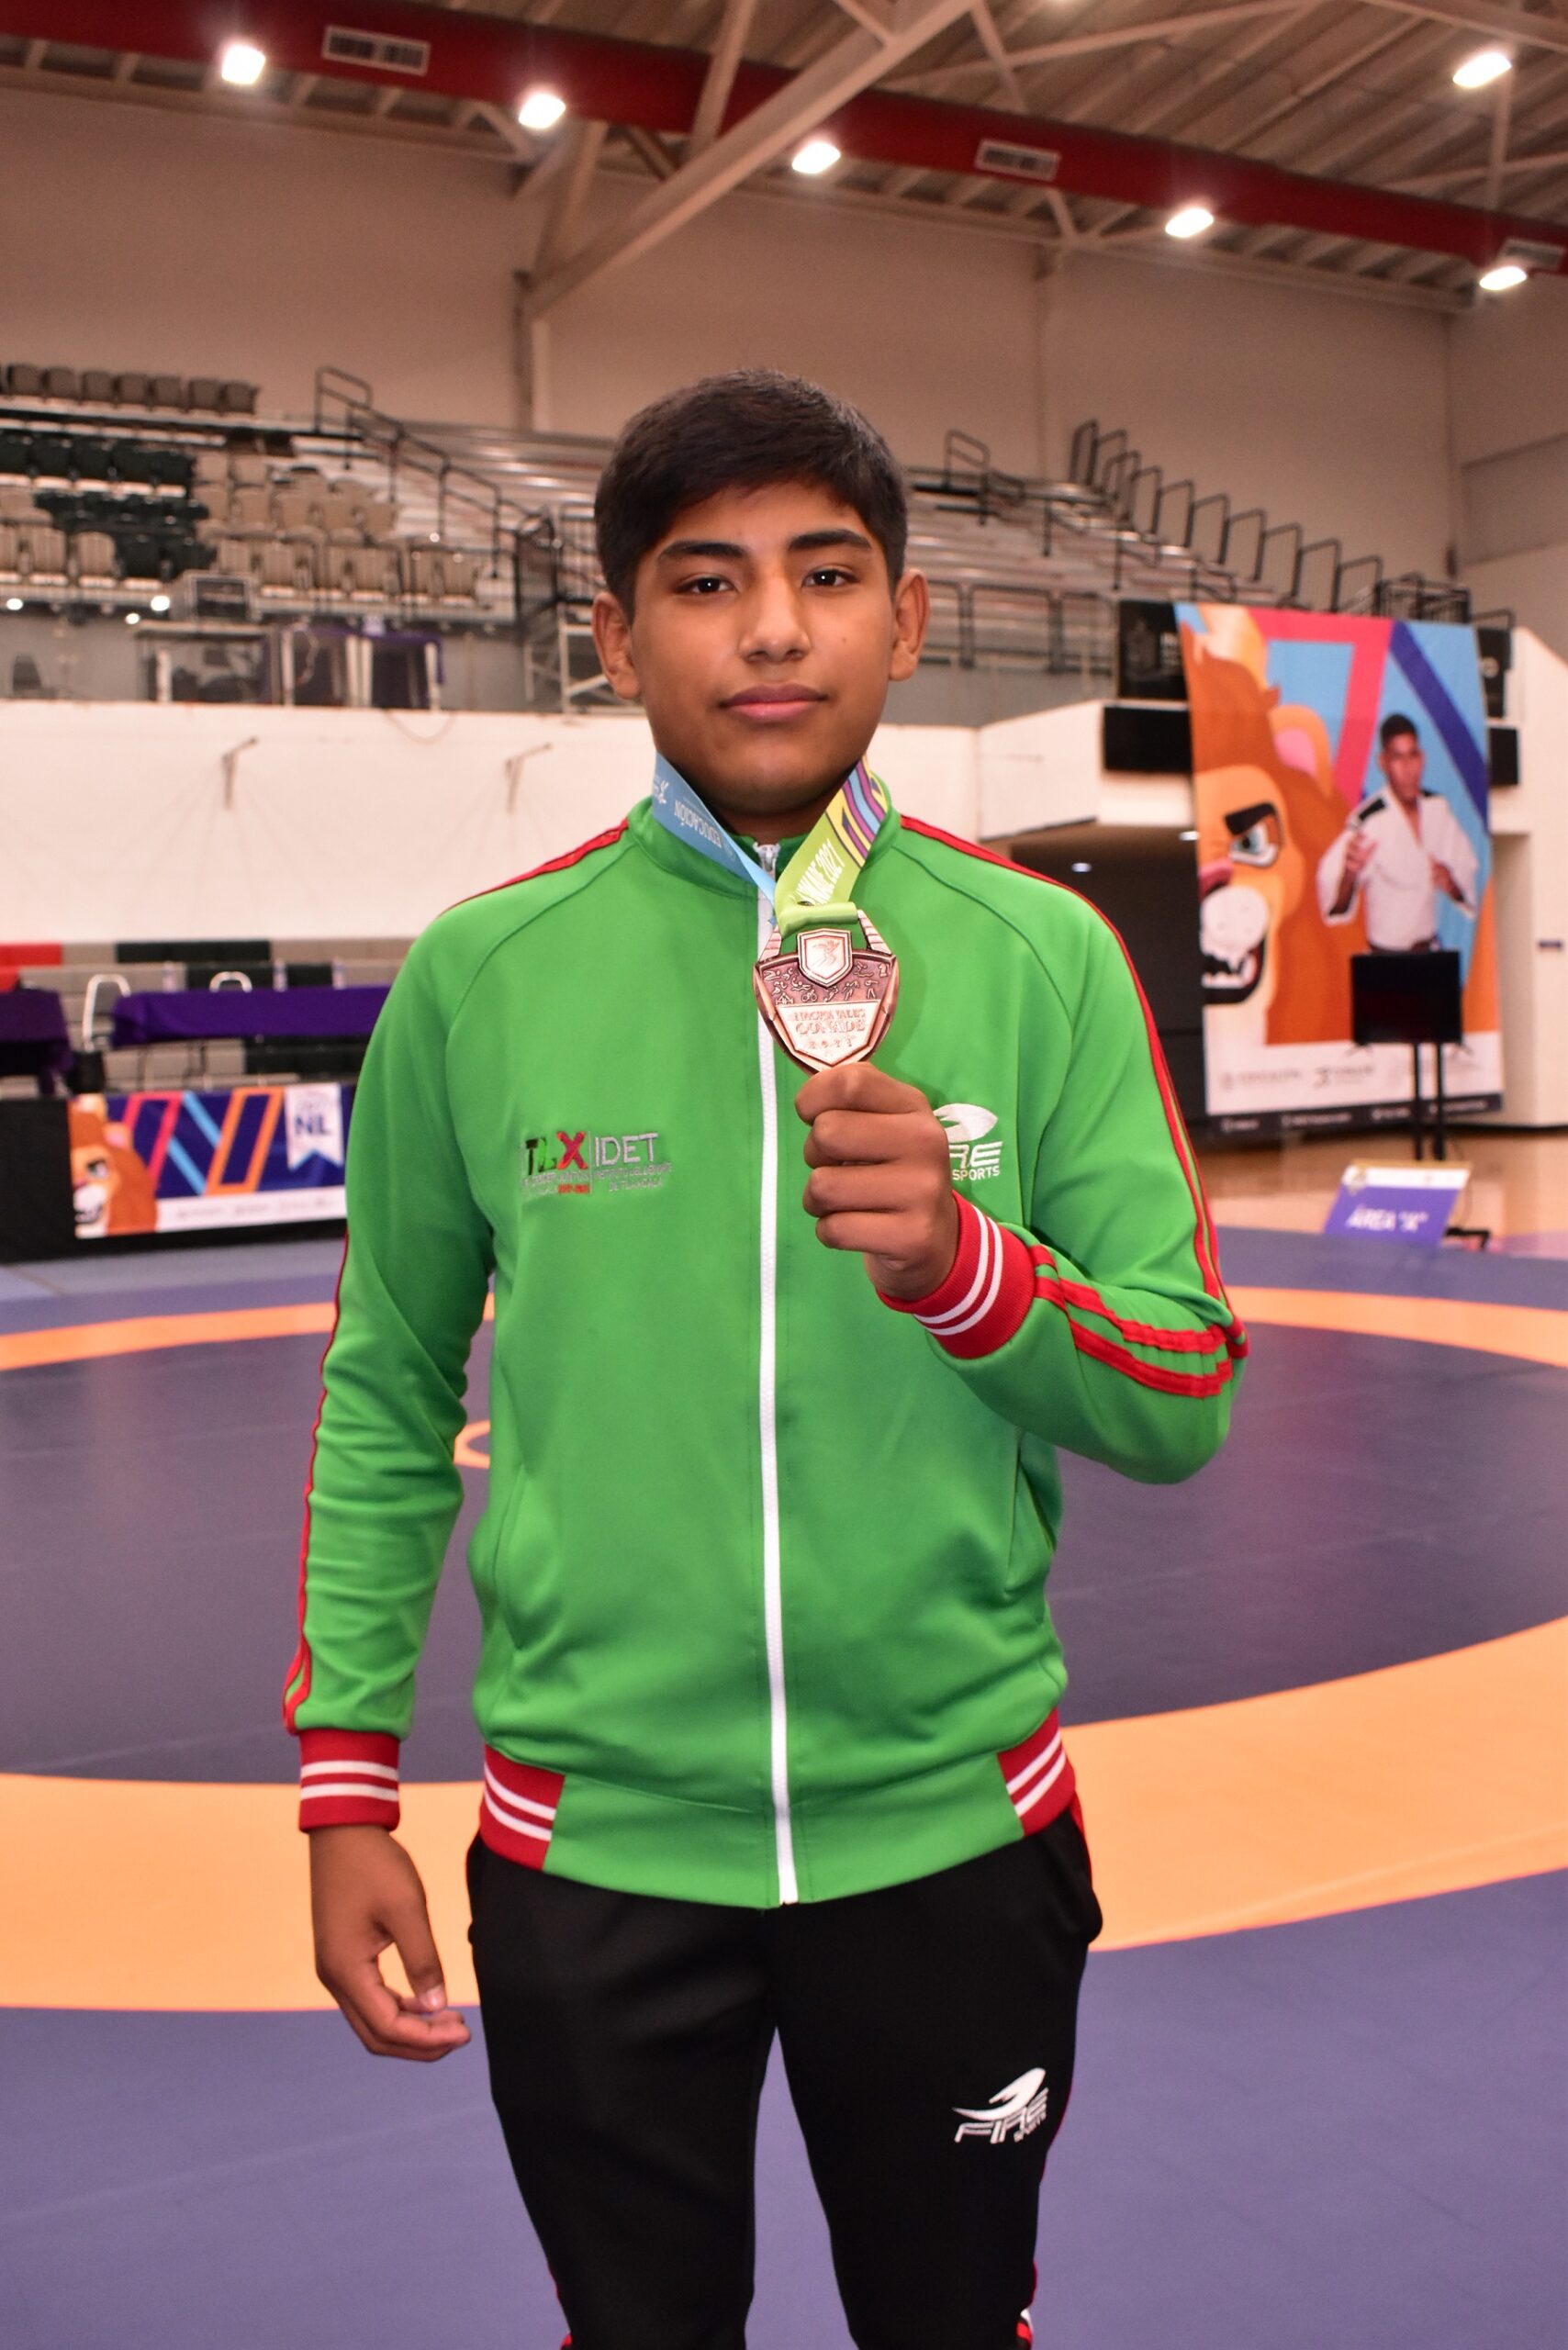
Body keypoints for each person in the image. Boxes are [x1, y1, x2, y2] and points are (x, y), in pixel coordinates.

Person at [286, 371, 1248, 2350]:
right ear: (615, 633)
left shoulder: (1039, 954)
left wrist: (971, 1271)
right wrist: (347, 1782)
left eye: (826, 573)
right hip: (592, 1850)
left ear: (906, 619)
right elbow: (387, 1386)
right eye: (704, 580)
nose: (773, 628)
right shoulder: (483, 972)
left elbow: (1181, 1392)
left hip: (954, 1835)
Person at [1316, 711, 1478, 951]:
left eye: (1413, 756)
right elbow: (1334, 903)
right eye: (1397, 758)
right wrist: (1349, 876)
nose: (1408, 769)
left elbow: (1467, 873)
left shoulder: (1437, 808)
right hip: (1385, 957)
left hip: (1429, 953)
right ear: (1383, 763)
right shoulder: (1369, 819)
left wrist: (1451, 884)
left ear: (1422, 758)